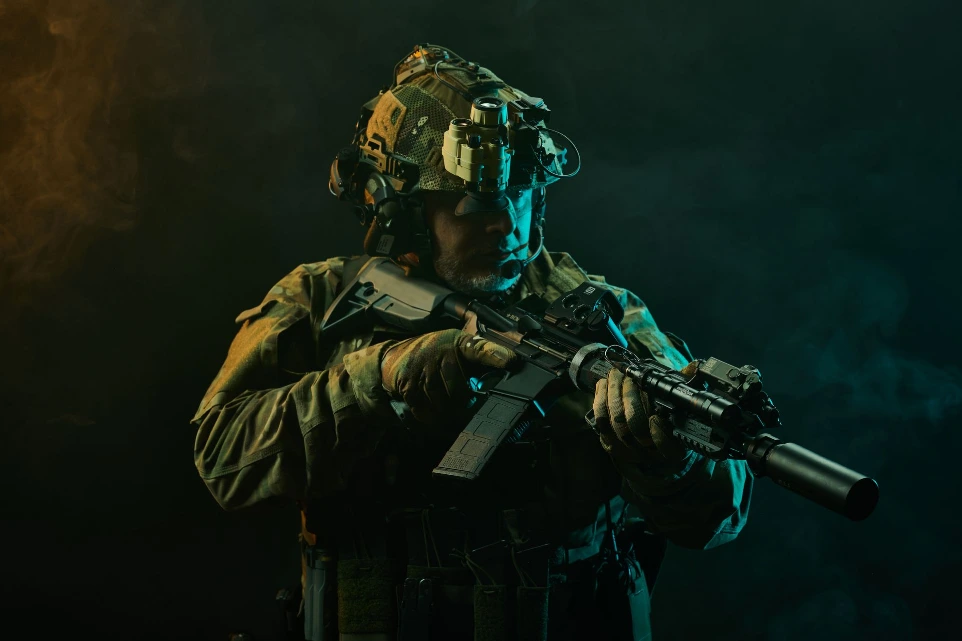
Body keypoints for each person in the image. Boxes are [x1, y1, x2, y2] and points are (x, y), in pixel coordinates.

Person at [192, 43, 752, 641]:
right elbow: (224, 460)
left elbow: (717, 520)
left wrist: (670, 463)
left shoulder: (602, 314)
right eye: (474, 203)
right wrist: (376, 378)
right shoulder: (322, 299)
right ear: (403, 210)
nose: (504, 223)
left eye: (520, 192)